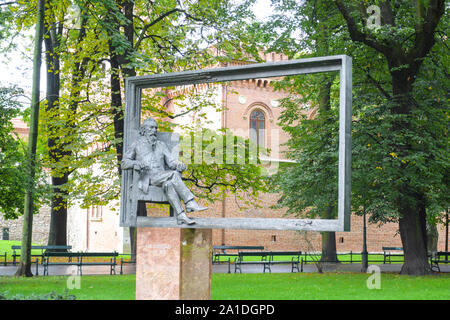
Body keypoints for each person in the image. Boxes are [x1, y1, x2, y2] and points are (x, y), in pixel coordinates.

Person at [121, 117, 207, 225]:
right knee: (173, 175)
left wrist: (179, 164)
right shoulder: (136, 144)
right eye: (151, 128)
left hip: (161, 176)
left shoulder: (161, 145)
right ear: (144, 130)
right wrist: (135, 163)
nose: (154, 130)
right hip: (146, 178)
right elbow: (124, 163)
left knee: (169, 184)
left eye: (156, 128)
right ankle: (189, 202)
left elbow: (171, 162)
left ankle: (181, 215)